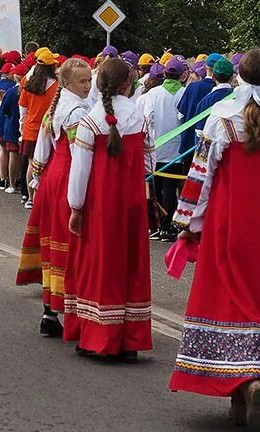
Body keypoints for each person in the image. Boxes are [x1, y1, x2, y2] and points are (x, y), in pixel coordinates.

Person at [169, 48, 260, 431]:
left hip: (227, 222)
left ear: (239, 78)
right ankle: (253, 385)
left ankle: (243, 386)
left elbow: (200, 177)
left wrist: (188, 223)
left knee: (227, 297)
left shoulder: (219, 122)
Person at [63, 57, 153, 360]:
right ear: (128, 85)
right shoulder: (140, 119)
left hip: (101, 204)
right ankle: (130, 340)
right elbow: (148, 164)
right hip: (132, 203)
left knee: (100, 265)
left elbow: (80, 170)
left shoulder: (90, 122)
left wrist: (75, 206)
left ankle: (98, 336)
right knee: (132, 265)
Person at [18, 57, 94, 336]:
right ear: (66, 83)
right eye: (82, 81)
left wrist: (37, 178)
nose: (87, 86)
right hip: (67, 178)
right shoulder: (76, 111)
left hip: (52, 177)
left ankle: (49, 311)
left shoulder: (57, 107)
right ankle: (70, 308)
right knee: (69, 243)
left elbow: (41, 149)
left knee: (53, 242)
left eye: (88, 80)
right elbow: (80, 152)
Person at [138, 55, 187, 242]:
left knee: (156, 188)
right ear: (182, 75)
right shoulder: (184, 93)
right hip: (176, 150)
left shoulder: (152, 94)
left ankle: (157, 226)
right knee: (171, 188)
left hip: (156, 147)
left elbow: (146, 118)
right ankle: (168, 227)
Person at [18, 49, 59, 196]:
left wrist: (21, 127)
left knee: (31, 163)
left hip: (30, 128)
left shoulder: (29, 84)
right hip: (47, 129)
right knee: (45, 164)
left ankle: (29, 197)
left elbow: (22, 108)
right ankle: (40, 196)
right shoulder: (56, 86)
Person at [0, 62, 17, 187]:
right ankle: (11, 178)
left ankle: (1, 176)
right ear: (8, 73)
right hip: (9, 122)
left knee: (1, 150)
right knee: (11, 152)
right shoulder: (13, 87)